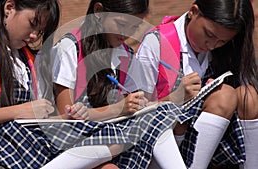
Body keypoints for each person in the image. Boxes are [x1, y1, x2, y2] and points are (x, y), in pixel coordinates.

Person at [48, 0, 190, 168]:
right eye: (122, 24)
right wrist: (118, 109)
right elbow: (68, 119)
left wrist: (139, 105)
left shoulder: (126, 55)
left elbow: (130, 111)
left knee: (164, 114)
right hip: (73, 141)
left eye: (134, 27)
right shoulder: (70, 47)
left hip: (111, 137)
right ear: (99, 11)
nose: (127, 34)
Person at [126, 0, 257, 168]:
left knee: (249, 95)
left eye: (221, 41)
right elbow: (136, 111)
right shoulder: (157, 43)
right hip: (164, 140)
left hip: (211, 136)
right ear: (193, 12)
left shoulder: (223, 50)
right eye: (208, 34)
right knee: (225, 96)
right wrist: (175, 97)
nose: (211, 45)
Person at [0, 0, 64, 168]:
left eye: (40, 30)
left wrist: (67, 119)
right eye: (32, 23)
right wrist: (18, 111)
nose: (34, 35)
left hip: (24, 143)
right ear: (9, 8)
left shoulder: (26, 59)